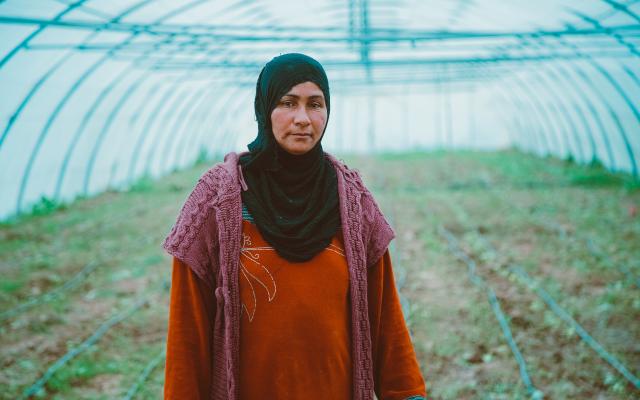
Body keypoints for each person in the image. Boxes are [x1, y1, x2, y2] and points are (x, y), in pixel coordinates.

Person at [162, 53, 426, 400]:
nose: (303, 118)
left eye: (315, 104)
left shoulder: (352, 198)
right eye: (288, 103)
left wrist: (407, 393)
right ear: (265, 109)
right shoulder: (216, 200)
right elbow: (187, 334)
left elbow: (385, 318)